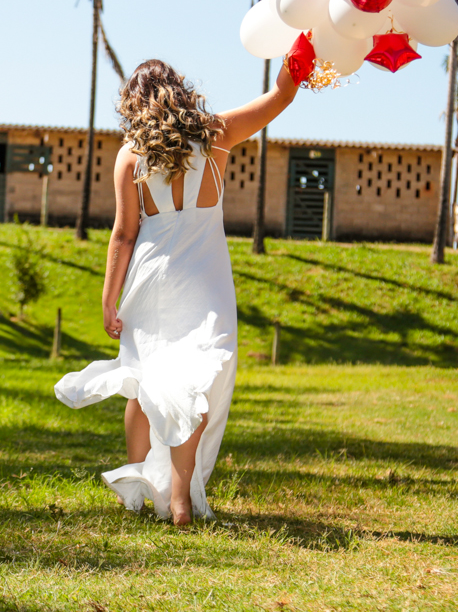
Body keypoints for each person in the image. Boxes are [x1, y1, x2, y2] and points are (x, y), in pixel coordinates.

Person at [54, 40, 313, 525]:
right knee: (195, 382)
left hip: (150, 280)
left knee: (142, 382)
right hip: (204, 280)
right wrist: (301, 54)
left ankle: (138, 495)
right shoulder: (216, 136)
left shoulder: (129, 157)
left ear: (135, 102)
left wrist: (109, 298)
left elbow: (123, 234)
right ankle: (178, 500)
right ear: (179, 91)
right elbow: (280, 96)